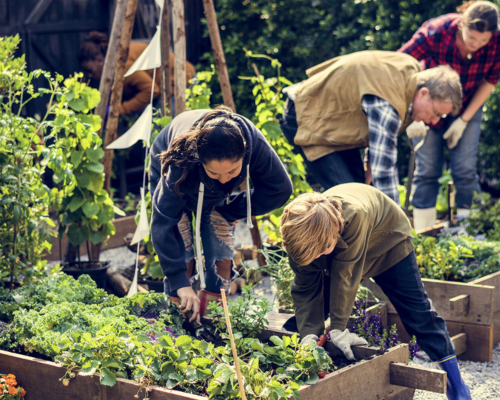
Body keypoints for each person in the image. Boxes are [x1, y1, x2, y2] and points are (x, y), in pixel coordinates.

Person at [280, 183, 471, 400]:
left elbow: (346, 275)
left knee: (418, 315)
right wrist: (309, 337)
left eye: (320, 252)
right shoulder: (300, 234)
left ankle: (457, 388)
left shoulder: (355, 215)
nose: (315, 258)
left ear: (333, 231)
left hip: (388, 242)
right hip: (334, 245)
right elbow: (306, 290)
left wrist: (339, 328)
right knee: (306, 321)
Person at [149, 106, 293, 323]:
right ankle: (176, 324)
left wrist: (230, 209)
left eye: (232, 172)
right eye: (215, 172)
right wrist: (181, 283)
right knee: (184, 252)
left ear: (245, 153)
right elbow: (162, 224)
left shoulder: (254, 143)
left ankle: (213, 321)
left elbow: (280, 189)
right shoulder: (179, 160)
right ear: (200, 159)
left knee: (220, 256)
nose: (225, 179)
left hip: (212, 192)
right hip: (177, 176)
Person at [280, 50, 462, 204]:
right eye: (437, 113)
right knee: (350, 200)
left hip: (332, 123)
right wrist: (397, 230)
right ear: (424, 93)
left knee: (360, 191)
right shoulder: (389, 104)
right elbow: (384, 173)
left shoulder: (410, 69)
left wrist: (370, 161)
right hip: (306, 116)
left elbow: (373, 125)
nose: (434, 121)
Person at [399, 1, 500, 231]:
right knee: (427, 170)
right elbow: (400, 63)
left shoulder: (497, 42)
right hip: (430, 106)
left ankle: (468, 233)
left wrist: (464, 121)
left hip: (468, 106)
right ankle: (424, 234)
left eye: (483, 41)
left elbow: (490, 80)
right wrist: (410, 111)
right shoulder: (436, 31)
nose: (476, 45)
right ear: (461, 23)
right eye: (471, 38)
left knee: (465, 169)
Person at [78, 31, 196, 115]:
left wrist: (119, 110)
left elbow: (151, 90)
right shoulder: (114, 63)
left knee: (159, 131)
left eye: (89, 70)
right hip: (168, 84)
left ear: (99, 60)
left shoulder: (122, 65)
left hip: (181, 78)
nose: (89, 75)